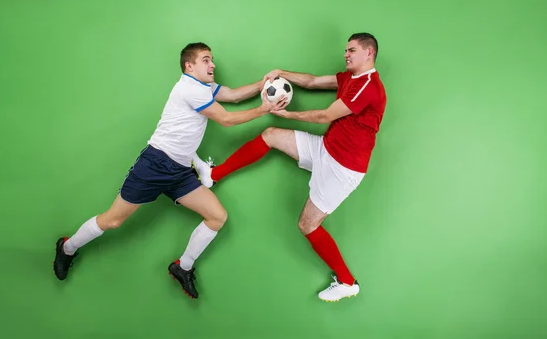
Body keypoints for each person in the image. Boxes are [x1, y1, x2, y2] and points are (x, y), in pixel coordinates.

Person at [52, 42, 288, 299]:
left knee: (217, 217)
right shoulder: (189, 89)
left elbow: (232, 95)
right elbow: (227, 119)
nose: (213, 65)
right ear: (189, 65)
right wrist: (265, 108)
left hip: (179, 169)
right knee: (113, 220)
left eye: (212, 60)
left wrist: (263, 83)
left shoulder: (204, 87)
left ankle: (182, 267)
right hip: (155, 165)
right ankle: (67, 247)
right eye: (206, 60)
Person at [192, 33, 386, 302]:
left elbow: (324, 116)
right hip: (326, 148)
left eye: (352, 50)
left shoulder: (369, 86)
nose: (346, 54)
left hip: (343, 167)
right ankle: (213, 175)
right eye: (345, 50)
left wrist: (286, 114)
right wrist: (281, 72)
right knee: (271, 134)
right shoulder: (348, 78)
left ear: (369, 53)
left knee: (307, 225)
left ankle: (347, 281)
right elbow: (313, 81)